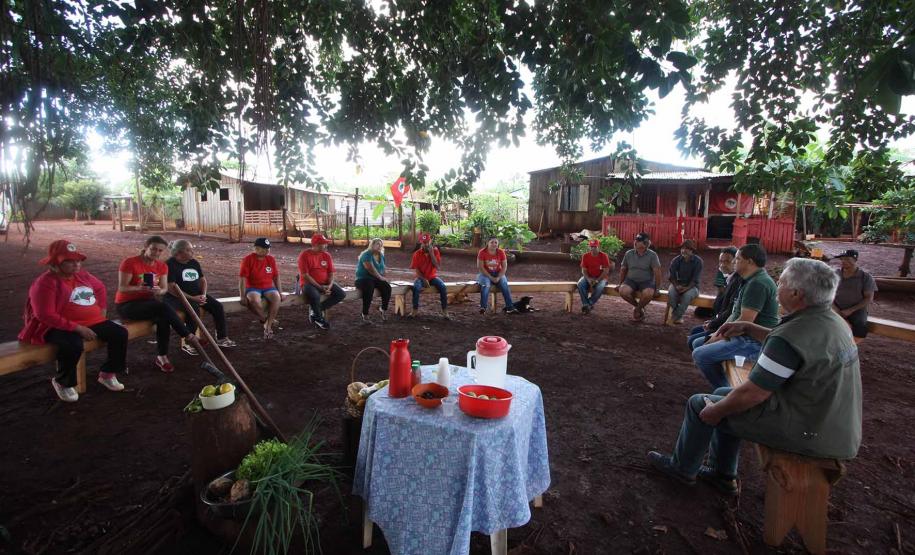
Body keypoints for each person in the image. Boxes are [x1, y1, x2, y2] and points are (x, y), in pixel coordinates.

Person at [648, 258, 862, 495]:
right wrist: (749, 328)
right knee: (721, 394)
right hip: (831, 424)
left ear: (796, 293)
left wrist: (714, 412)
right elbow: (794, 345)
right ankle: (723, 474)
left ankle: (682, 470)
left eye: (780, 283)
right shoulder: (832, 322)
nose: (776, 287)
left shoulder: (790, 336)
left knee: (701, 404)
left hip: (808, 432)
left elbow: (754, 393)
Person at [19, 240, 129, 402]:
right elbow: (44, 314)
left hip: (91, 320)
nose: (76, 265)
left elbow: (99, 288)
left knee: (119, 333)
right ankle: (63, 382)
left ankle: (107, 373)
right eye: (69, 261)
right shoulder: (45, 283)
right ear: (56, 263)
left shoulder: (82, 275)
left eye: (78, 260)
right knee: (73, 344)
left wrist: (102, 311)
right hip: (56, 325)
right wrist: (77, 328)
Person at [691, 243, 779, 388]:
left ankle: (725, 391)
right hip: (745, 335)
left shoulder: (757, 283)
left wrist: (717, 337)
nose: (733, 262)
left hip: (754, 341)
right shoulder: (750, 280)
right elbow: (735, 315)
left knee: (700, 354)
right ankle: (723, 388)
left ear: (749, 261)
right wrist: (716, 335)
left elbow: (744, 323)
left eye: (737, 259)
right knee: (699, 344)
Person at [116, 235, 202, 372]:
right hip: (127, 304)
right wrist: (139, 288)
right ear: (146, 247)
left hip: (149, 304)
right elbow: (122, 287)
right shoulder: (130, 262)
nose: (156, 253)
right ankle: (187, 335)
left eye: (160, 251)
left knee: (164, 319)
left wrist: (158, 291)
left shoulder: (161, 266)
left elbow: (164, 289)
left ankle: (162, 357)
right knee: (162, 307)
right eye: (153, 249)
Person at [165, 239, 237, 354]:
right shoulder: (170, 264)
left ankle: (221, 337)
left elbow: (203, 280)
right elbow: (171, 288)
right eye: (188, 250)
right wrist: (193, 298)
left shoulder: (193, 262)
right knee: (193, 309)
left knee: (217, 306)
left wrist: (203, 294)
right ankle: (188, 343)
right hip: (176, 297)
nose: (192, 252)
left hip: (196, 294)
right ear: (178, 252)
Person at [687, 247, 742, 351]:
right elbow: (720, 294)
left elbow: (730, 310)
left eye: (727, 261)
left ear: (736, 262)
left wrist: (714, 323)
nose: (722, 264)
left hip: (727, 325)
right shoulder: (726, 275)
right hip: (721, 318)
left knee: (693, 341)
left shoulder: (738, 281)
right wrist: (714, 319)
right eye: (721, 261)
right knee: (695, 331)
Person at [297, 233, 346, 330]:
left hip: (324, 283)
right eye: (323, 244)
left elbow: (331, 273)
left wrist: (330, 285)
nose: (326, 245)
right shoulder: (304, 255)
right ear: (315, 245)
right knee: (315, 295)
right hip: (309, 283)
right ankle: (319, 319)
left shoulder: (326, 255)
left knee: (341, 294)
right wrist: (320, 287)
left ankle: (316, 311)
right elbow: (305, 275)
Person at [239, 237, 284, 339]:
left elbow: (276, 277)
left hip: (268, 287)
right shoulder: (247, 260)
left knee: (276, 298)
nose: (267, 250)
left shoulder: (271, 259)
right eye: (264, 248)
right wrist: (242, 296)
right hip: (253, 287)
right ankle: (265, 318)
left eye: (268, 248)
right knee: (254, 300)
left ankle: (268, 326)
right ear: (256, 248)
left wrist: (280, 292)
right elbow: (242, 279)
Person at [832, 249, 877, 342]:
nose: (844, 261)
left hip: (856, 310)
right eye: (842, 259)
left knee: (860, 327)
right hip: (836, 307)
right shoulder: (835, 274)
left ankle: (851, 347)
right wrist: (835, 309)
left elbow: (869, 298)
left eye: (847, 259)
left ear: (855, 260)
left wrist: (850, 310)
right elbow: (828, 293)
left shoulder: (865, 277)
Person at [617, 232, 662, 321]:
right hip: (631, 280)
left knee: (648, 293)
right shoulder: (629, 253)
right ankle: (639, 307)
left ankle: (637, 309)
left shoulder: (652, 255)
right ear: (635, 243)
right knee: (622, 291)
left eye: (642, 243)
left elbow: (657, 272)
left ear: (647, 244)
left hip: (646, 281)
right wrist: (620, 283)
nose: (639, 244)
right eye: (637, 242)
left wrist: (657, 289)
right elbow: (623, 269)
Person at [409, 233, 452, 319]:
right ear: (421, 243)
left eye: (427, 242)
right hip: (421, 278)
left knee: (443, 287)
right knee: (416, 288)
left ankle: (445, 311)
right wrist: (423, 279)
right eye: (424, 243)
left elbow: (437, 266)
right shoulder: (417, 254)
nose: (426, 244)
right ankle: (414, 310)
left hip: (432, 277)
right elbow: (417, 270)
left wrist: (432, 254)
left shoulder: (435, 251)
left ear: (430, 241)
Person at [476, 237, 518, 314]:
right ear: (487, 243)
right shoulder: (482, 252)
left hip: (498, 273)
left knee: (504, 285)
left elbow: (504, 267)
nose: (494, 244)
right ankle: (483, 307)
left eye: (496, 242)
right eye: (492, 242)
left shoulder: (501, 252)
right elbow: (480, 267)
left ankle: (510, 308)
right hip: (485, 274)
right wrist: (490, 277)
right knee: (486, 285)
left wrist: (498, 277)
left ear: (498, 244)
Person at [666, 239, 704, 324]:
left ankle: (673, 318)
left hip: (692, 287)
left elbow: (695, 279)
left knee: (686, 297)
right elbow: (671, 276)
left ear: (692, 250)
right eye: (682, 248)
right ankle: (678, 317)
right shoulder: (676, 260)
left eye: (687, 249)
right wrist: (676, 286)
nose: (684, 251)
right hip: (678, 284)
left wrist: (686, 288)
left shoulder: (698, 262)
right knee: (671, 294)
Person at [354, 238, 391, 323]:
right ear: (372, 245)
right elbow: (370, 269)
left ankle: (383, 309)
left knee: (387, 287)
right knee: (369, 287)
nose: (379, 246)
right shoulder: (366, 254)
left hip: (375, 279)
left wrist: (384, 278)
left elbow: (383, 268)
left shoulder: (381, 255)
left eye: (381, 245)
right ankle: (365, 313)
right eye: (377, 244)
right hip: (362, 279)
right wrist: (381, 278)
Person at [578, 239, 614, 313]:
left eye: (595, 247)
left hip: (601, 278)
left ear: (598, 247)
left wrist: (597, 280)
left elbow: (606, 271)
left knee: (600, 287)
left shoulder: (604, 256)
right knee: (580, 284)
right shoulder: (585, 256)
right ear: (589, 247)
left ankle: (590, 304)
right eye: (591, 247)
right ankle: (586, 304)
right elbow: (584, 270)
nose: (593, 248)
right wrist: (588, 279)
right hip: (589, 277)